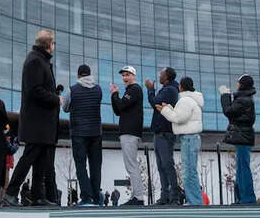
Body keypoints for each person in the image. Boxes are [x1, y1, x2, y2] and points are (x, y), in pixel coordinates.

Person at [4, 30, 62, 207]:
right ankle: (10, 193)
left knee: (41, 160)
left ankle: (38, 196)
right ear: (48, 44)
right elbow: (35, 90)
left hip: (43, 122)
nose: (54, 46)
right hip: (37, 122)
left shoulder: (40, 60)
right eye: (53, 43)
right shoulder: (35, 61)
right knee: (29, 157)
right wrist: (56, 99)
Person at [158, 76, 205, 206]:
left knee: (189, 172)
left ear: (181, 87)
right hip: (191, 138)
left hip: (189, 138)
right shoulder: (190, 100)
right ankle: (195, 200)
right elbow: (182, 116)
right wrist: (169, 108)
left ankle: (194, 201)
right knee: (190, 171)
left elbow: (178, 118)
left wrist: (165, 110)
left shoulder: (185, 100)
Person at [63, 64, 103, 206]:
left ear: (79, 75)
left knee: (81, 165)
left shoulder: (72, 90)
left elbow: (65, 108)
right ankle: (97, 197)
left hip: (79, 133)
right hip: (95, 133)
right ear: (90, 74)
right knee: (95, 166)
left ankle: (86, 197)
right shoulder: (98, 89)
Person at [145, 67, 181, 206]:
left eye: (161, 74)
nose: (159, 76)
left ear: (166, 76)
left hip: (165, 133)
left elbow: (155, 103)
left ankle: (174, 197)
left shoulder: (170, 90)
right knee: (161, 166)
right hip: (160, 132)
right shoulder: (167, 89)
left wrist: (150, 89)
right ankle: (165, 196)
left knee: (167, 165)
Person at [110, 65, 146, 206]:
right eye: (123, 75)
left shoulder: (135, 89)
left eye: (127, 75)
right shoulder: (129, 91)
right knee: (130, 165)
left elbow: (120, 106)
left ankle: (138, 197)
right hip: (128, 131)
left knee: (131, 165)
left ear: (134, 76)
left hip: (130, 132)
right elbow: (118, 110)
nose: (125, 77)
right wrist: (115, 95)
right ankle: (135, 196)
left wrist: (114, 94)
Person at [220, 74, 257, 204]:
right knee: (241, 168)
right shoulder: (244, 98)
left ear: (243, 84)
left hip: (243, 136)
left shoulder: (243, 100)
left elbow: (228, 111)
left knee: (243, 168)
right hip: (243, 136)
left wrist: (225, 96)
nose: (237, 84)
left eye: (238, 82)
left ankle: (247, 198)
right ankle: (242, 197)